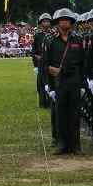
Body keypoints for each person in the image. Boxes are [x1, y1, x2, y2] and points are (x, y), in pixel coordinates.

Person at [44, 9, 84, 155]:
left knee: (74, 113)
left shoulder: (78, 40)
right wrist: (50, 85)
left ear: (71, 22)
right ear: (57, 23)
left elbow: (83, 63)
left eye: (67, 20)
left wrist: (82, 85)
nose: (64, 22)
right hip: (59, 81)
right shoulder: (51, 41)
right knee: (60, 114)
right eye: (61, 20)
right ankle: (62, 144)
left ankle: (75, 145)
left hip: (74, 80)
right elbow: (45, 63)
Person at [32, 12, 52, 108]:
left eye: (48, 21)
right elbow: (34, 51)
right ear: (41, 23)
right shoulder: (37, 36)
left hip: (51, 62)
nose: (46, 23)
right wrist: (36, 64)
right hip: (41, 63)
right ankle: (43, 103)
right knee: (41, 84)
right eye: (44, 21)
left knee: (51, 82)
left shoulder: (54, 35)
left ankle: (52, 101)